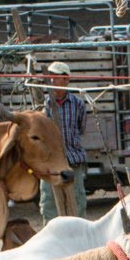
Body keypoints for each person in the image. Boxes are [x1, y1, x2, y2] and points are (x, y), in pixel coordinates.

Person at [41, 61, 88, 220]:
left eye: (56, 77)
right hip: (50, 163)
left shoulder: (78, 104)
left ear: (66, 80)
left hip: (72, 160)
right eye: (50, 77)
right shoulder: (44, 105)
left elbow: (81, 128)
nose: (52, 81)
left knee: (77, 202)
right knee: (49, 204)